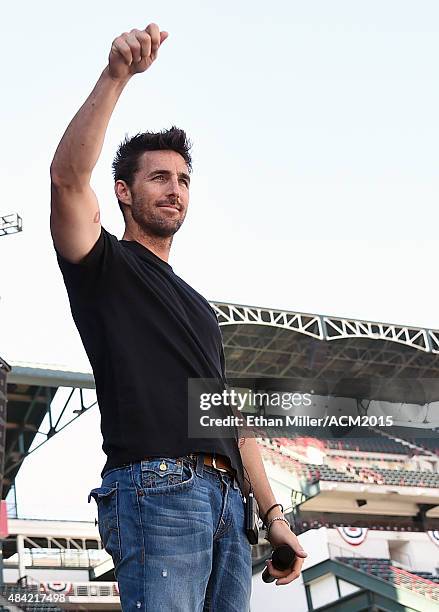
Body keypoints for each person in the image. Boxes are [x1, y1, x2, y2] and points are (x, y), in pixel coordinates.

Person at [50, 23, 308, 611]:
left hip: (229, 509)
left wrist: (274, 517)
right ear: (122, 191)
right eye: (159, 177)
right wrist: (117, 77)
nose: (175, 190)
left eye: (184, 180)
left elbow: (231, 416)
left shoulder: (199, 307)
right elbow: (66, 179)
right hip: (158, 491)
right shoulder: (104, 265)